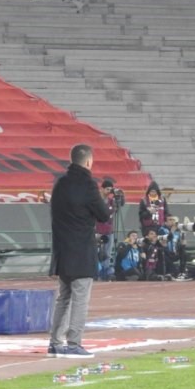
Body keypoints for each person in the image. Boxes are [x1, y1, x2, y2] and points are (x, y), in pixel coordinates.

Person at [47, 143, 110, 359]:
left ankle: (55, 343)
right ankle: (74, 343)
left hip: (62, 250)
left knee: (64, 297)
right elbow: (103, 215)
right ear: (89, 161)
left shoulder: (60, 183)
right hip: (81, 250)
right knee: (80, 298)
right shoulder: (88, 184)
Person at [95, 178, 118, 281]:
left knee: (107, 254)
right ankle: (96, 272)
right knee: (96, 253)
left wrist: (119, 196)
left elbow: (120, 205)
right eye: (107, 189)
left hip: (109, 230)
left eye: (110, 189)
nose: (109, 191)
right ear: (102, 189)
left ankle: (104, 273)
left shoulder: (111, 201)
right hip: (98, 230)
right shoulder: (96, 200)